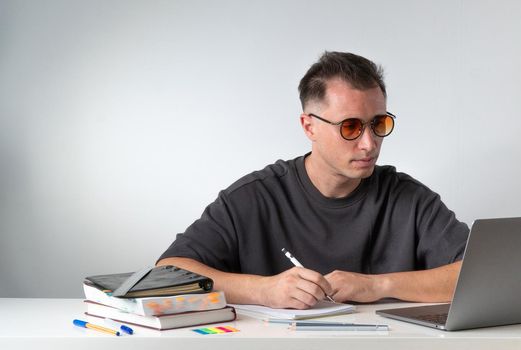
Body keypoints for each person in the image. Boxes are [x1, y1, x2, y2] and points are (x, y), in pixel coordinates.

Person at [157, 51, 469, 309]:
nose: (369, 143)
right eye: (350, 127)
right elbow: (169, 272)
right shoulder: (253, 197)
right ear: (309, 127)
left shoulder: (409, 198)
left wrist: (376, 285)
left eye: (379, 123)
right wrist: (264, 290)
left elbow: (477, 273)